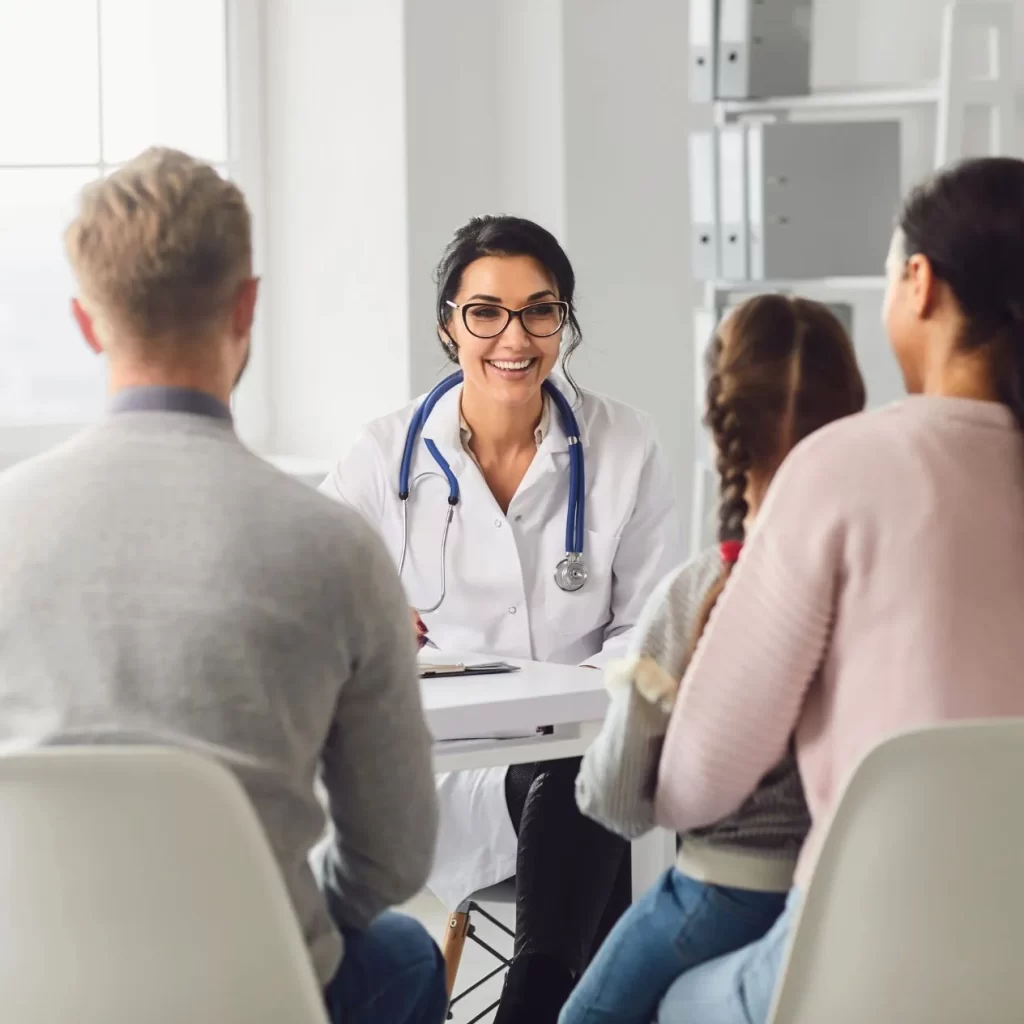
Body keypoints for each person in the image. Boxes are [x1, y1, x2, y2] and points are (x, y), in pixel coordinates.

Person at [0, 148, 446, 1024]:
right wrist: (284, 929)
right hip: (257, 993)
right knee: (403, 953)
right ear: (248, 304)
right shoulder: (335, 548)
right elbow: (395, 859)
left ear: (88, 323)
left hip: (30, 988)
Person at [650, 156, 1024, 1024]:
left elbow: (695, 783)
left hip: (871, 952)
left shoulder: (843, 467)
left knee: (670, 1004)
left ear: (920, 285)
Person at [320, 215, 684, 1022]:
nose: (513, 337)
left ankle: (533, 998)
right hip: (446, 772)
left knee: (584, 774)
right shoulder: (382, 459)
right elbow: (314, 612)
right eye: (485, 311)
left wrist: (569, 705)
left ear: (565, 321)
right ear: (449, 324)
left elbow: (651, 631)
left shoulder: (626, 446)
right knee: (593, 793)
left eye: (539, 310)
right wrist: (376, 628)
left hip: (590, 754)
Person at [561, 295, 866, 1024]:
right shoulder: (876, 586)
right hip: (843, 899)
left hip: (716, 896)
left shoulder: (702, 593)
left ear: (717, 431)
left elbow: (612, 802)